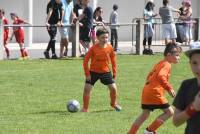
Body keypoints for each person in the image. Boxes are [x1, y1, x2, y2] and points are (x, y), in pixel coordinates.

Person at [128, 42, 182, 134]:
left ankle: (131, 133)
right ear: (169, 55)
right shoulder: (167, 64)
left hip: (147, 90)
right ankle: (150, 130)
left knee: (145, 114)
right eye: (177, 55)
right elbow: (161, 76)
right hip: (154, 92)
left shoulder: (160, 63)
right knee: (169, 112)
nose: (179, 57)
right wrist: (169, 88)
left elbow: (150, 76)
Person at [81, 28, 121, 112]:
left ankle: (113, 104)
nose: (105, 39)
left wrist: (114, 72)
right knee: (87, 89)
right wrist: (87, 74)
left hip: (105, 72)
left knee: (113, 88)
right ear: (97, 38)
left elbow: (113, 60)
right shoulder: (93, 48)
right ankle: (85, 108)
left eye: (106, 37)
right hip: (93, 72)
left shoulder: (110, 47)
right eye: (103, 37)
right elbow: (85, 61)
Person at [173, 42, 200, 134]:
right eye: (194, 63)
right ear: (190, 64)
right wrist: (193, 108)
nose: (198, 68)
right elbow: (176, 121)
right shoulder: (186, 86)